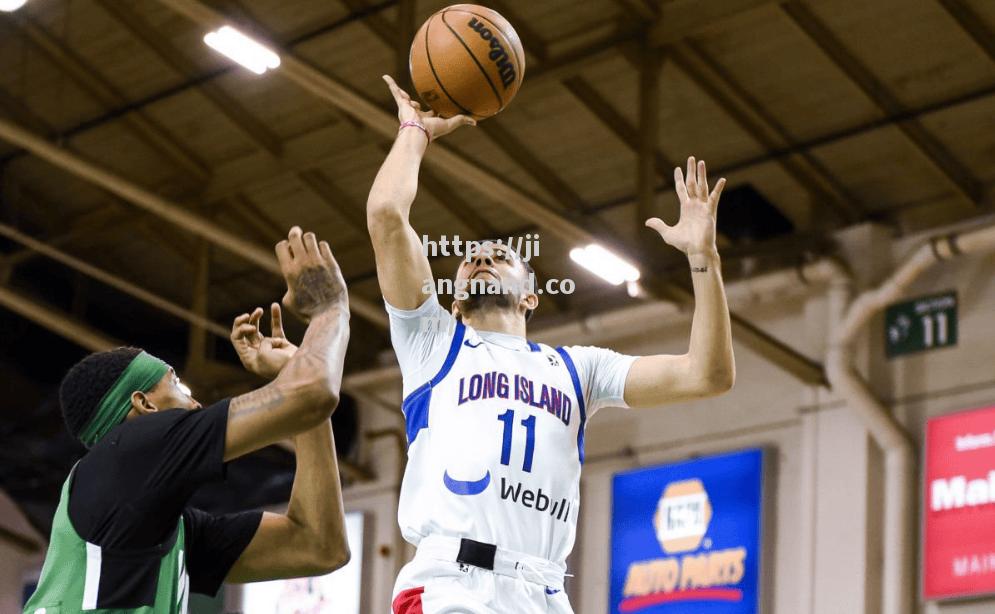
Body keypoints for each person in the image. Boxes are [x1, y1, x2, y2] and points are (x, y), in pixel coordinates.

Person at [368, 75, 736, 613]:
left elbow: (707, 374)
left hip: (543, 592)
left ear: (530, 298)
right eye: (469, 259)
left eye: (501, 256)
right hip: (452, 584)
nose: (480, 260)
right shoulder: (432, 344)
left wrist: (705, 259)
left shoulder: (577, 369)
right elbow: (386, 217)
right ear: (453, 302)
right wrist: (414, 133)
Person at [24, 227, 352, 614]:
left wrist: (300, 377)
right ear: (143, 404)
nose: (197, 403)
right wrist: (329, 310)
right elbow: (313, 394)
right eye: (177, 384)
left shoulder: (164, 525)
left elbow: (318, 545)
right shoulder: (131, 451)